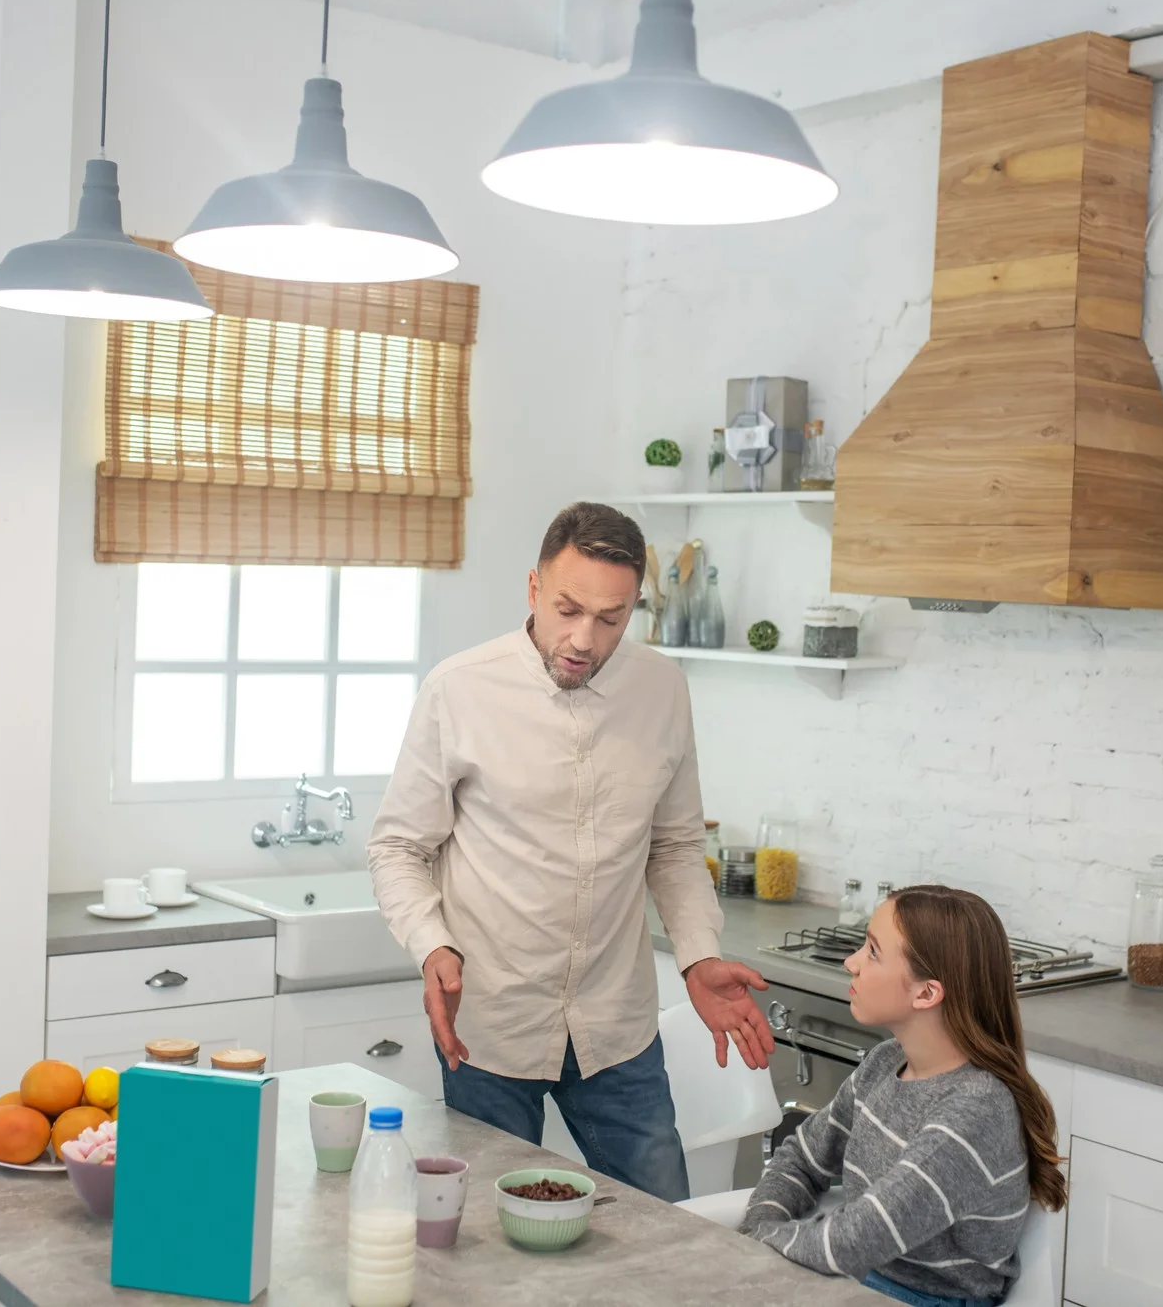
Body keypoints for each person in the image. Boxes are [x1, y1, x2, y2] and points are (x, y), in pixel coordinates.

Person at [367, 501, 776, 1203]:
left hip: (616, 1028)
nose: (584, 638)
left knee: (666, 1234)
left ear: (635, 609)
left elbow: (675, 845)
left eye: (611, 618)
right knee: (490, 1244)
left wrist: (700, 953)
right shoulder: (458, 689)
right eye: (567, 609)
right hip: (489, 1026)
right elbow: (398, 846)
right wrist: (433, 946)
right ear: (533, 589)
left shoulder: (662, 690)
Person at [737, 886, 1067, 1307]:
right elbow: (802, 1160)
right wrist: (759, 1229)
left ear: (927, 993)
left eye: (872, 952)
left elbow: (854, 1242)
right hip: (862, 1280)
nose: (851, 962)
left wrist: (760, 1244)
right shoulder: (885, 1062)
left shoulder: (975, 1110)